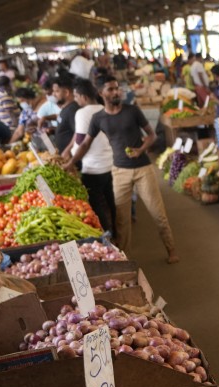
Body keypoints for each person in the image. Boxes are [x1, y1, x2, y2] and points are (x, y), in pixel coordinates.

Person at [69, 76, 178, 264]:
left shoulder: (132, 111)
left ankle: (171, 249)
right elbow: (85, 143)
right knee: (122, 220)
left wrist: (141, 150)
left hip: (143, 169)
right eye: (110, 89)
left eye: (117, 88)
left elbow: (151, 136)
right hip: (119, 172)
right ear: (101, 93)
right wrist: (70, 162)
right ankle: (125, 260)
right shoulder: (98, 119)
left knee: (157, 213)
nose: (115, 92)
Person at [66, 78, 115, 240]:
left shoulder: (82, 113)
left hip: (93, 167)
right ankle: (117, 231)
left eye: (76, 96)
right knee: (111, 201)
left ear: (84, 97)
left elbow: (81, 142)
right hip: (110, 163)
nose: (75, 99)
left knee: (97, 204)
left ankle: (107, 236)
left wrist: (71, 161)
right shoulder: (104, 108)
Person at [51, 75, 79, 154]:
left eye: (57, 91)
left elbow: (78, 133)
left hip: (72, 158)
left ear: (66, 92)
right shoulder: (66, 108)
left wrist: (68, 150)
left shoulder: (72, 110)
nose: (53, 94)